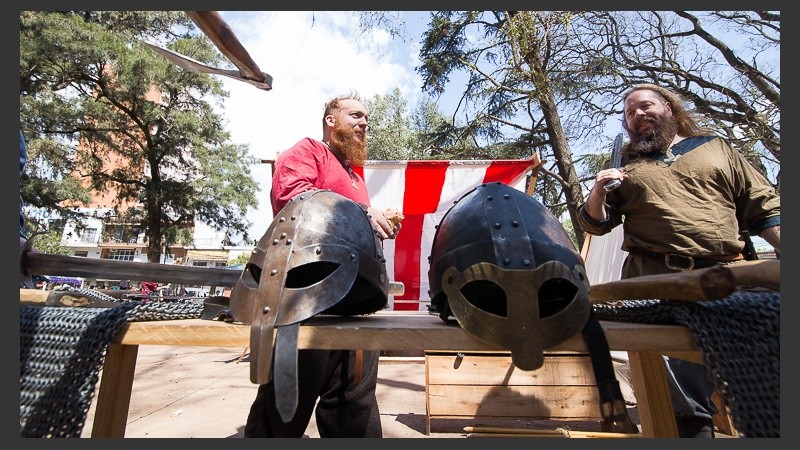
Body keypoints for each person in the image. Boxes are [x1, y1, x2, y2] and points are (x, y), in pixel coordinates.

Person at [577, 83, 780, 438]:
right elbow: (595, 222)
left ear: (668, 108)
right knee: (680, 392)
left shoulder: (715, 148)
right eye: (629, 113)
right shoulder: (624, 164)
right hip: (656, 280)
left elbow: (763, 205)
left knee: (763, 374)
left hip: (729, 274)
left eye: (645, 106)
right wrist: (598, 190)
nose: (637, 115)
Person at [243, 91, 400, 438]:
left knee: (354, 406)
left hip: (356, 301)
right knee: (286, 403)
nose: (364, 123)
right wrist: (362, 213)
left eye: (366, 119)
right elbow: (292, 199)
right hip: (303, 296)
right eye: (355, 116)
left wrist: (374, 224)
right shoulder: (308, 151)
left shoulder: (355, 177)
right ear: (331, 121)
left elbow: (349, 227)